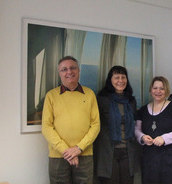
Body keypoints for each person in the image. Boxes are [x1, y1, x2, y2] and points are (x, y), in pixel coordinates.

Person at [42, 56, 100, 184]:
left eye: (72, 68)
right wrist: (66, 150)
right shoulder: (51, 96)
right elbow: (46, 127)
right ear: (59, 73)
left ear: (78, 71)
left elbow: (95, 125)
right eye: (64, 69)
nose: (69, 72)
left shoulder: (89, 94)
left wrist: (79, 148)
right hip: (58, 155)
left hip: (84, 154)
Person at [135, 76, 172, 184]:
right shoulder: (143, 110)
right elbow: (136, 129)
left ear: (166, 91)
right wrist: (142, 137)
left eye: (162, 88)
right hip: (150, 160)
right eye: (155, 88)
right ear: (151, 90)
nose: (158, 91)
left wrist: (164, 138)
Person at [94, 66, 140, 184]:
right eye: (117, 77)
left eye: (123, 77)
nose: (120, 80)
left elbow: (135, 123)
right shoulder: (102, 99)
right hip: (108, 152)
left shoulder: (131, 101)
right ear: (110, 80)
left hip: (128, 151)